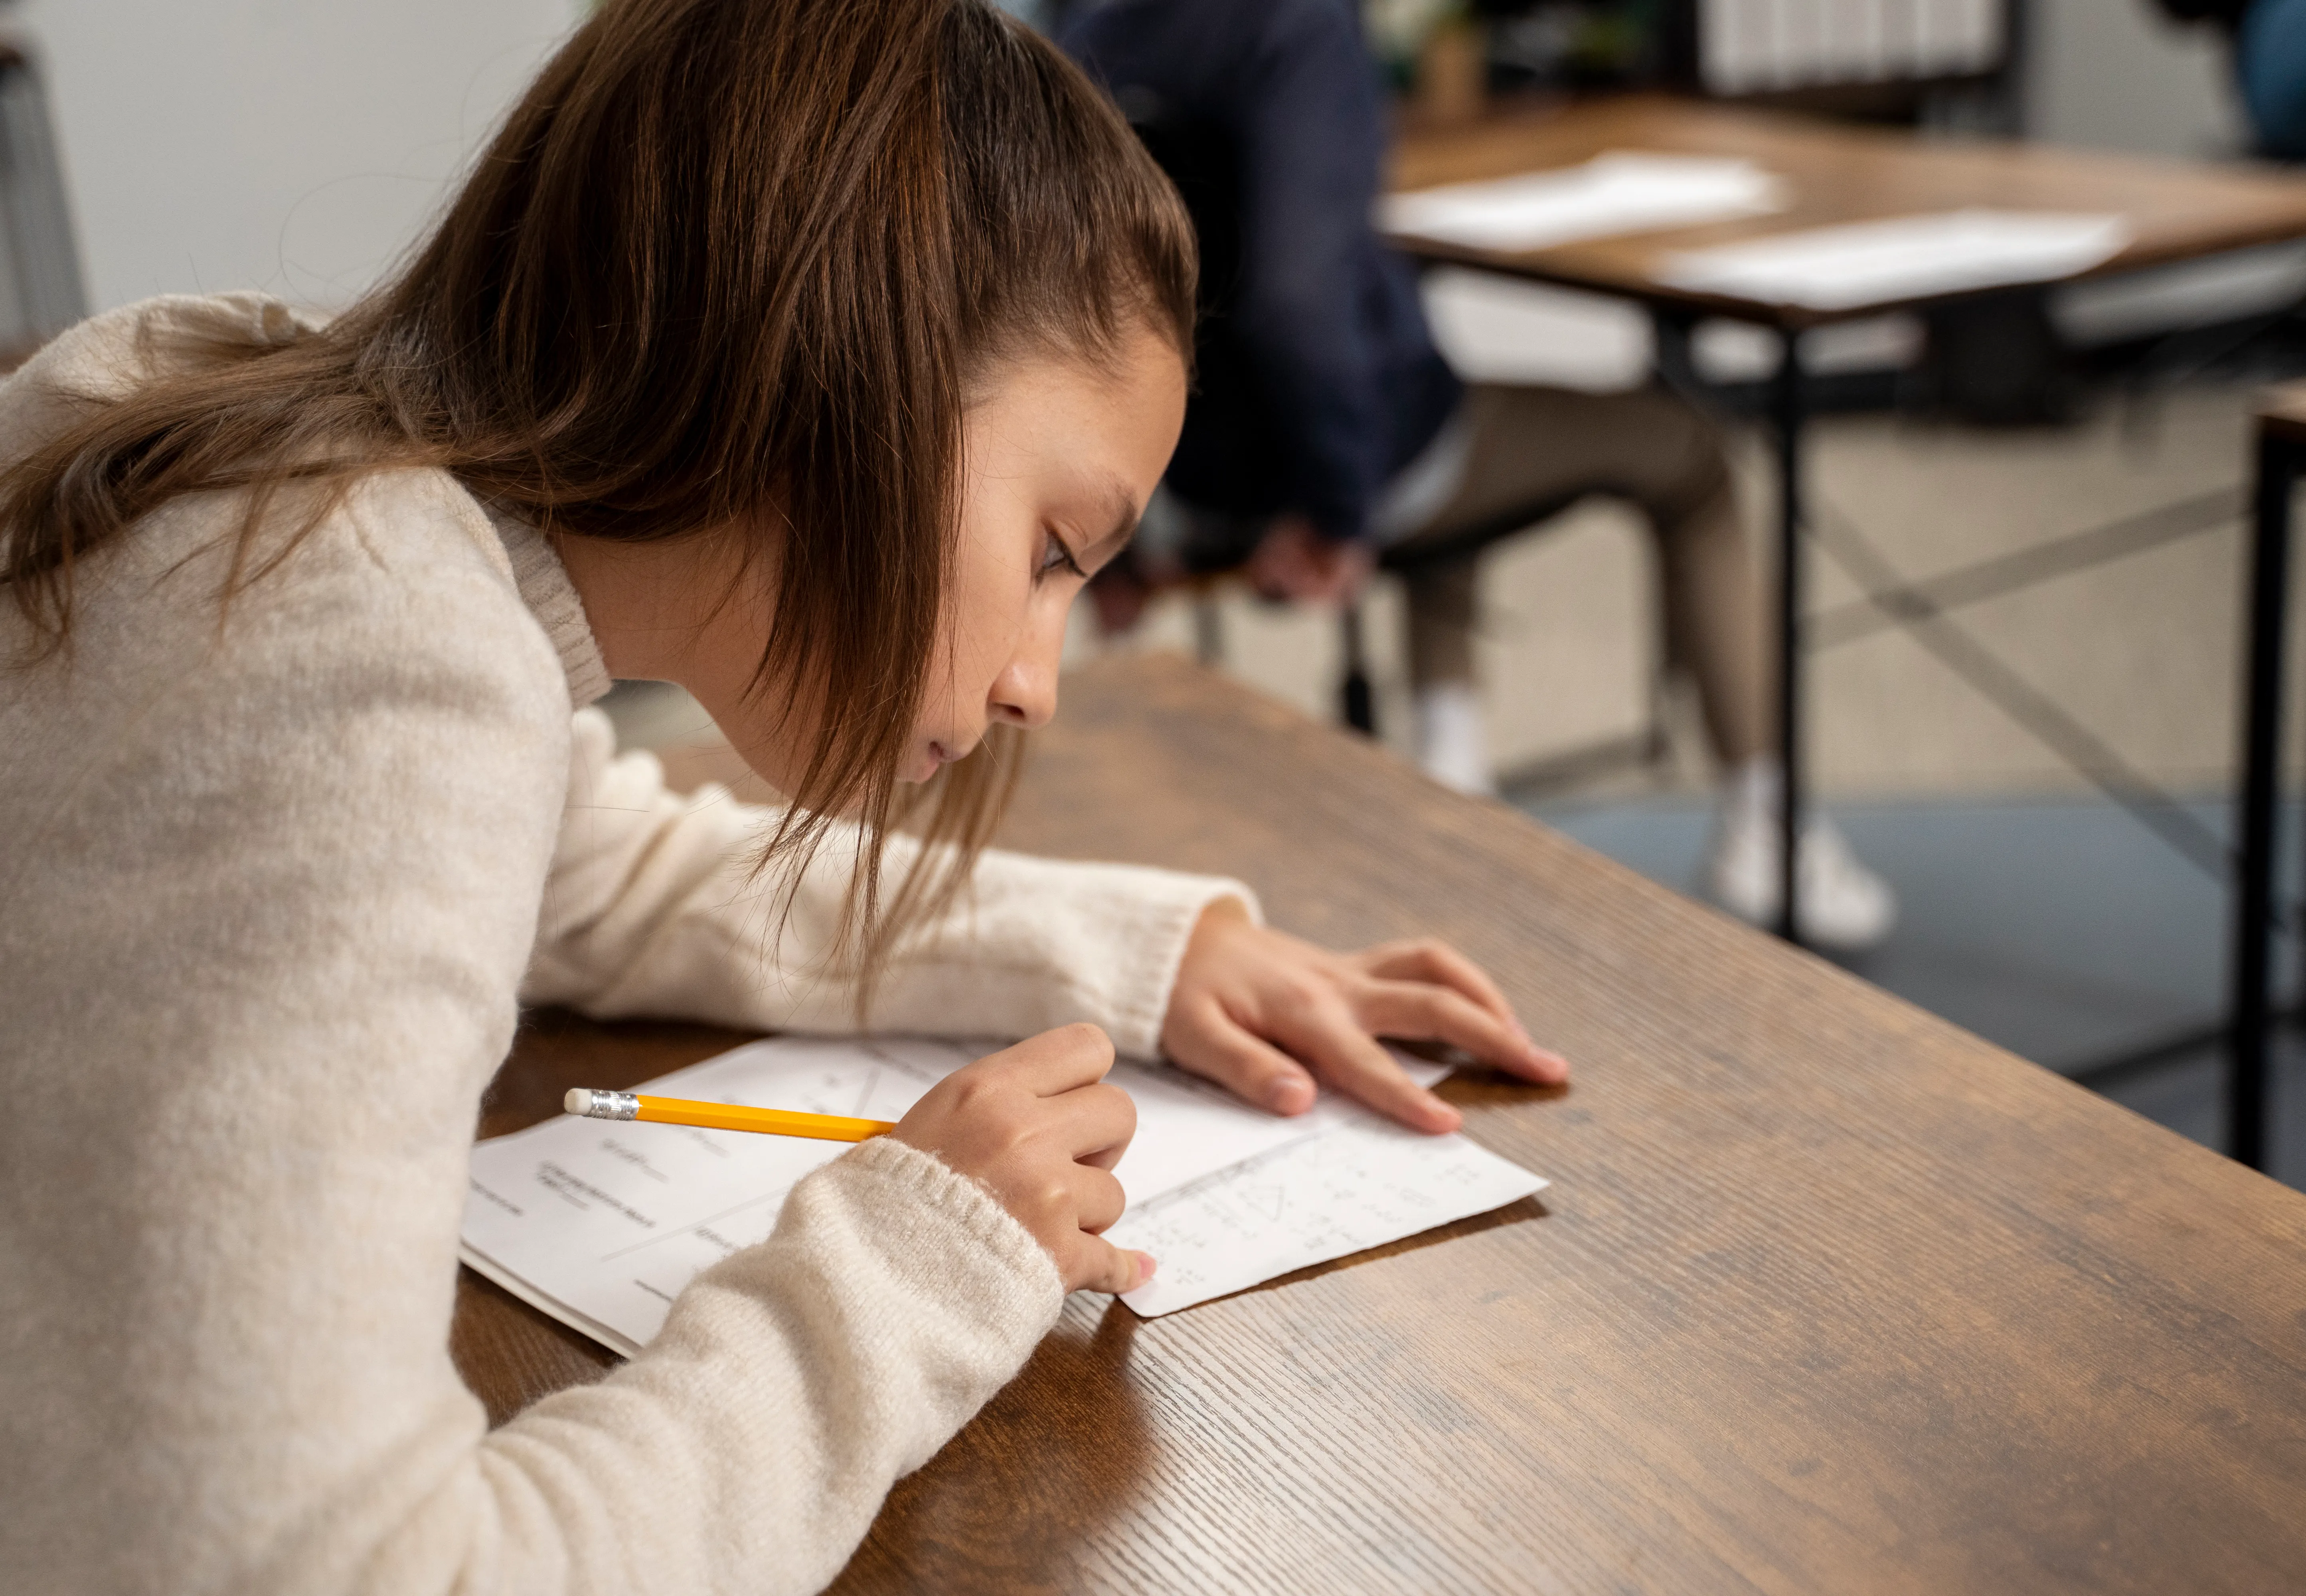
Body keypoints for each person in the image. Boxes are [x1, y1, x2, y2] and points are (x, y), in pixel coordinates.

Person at [0, 2, 1571, 1590]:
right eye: (1048, 552)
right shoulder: (372, 667)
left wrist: (1147, 956)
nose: (1038, 679)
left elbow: (585, 871)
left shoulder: (261, 452)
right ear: (843, 352)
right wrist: (905, 1272)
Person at [1059, 0, 1895, 951]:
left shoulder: (1087, 19)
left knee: (1437, 392)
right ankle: (1767, 819)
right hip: (1325, 489)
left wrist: (1127, 527)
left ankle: (1454, 769)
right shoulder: (1301, 25)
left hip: (1189, 477)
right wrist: (1340, 515)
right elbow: (1298, 305)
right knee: (1687, 452)